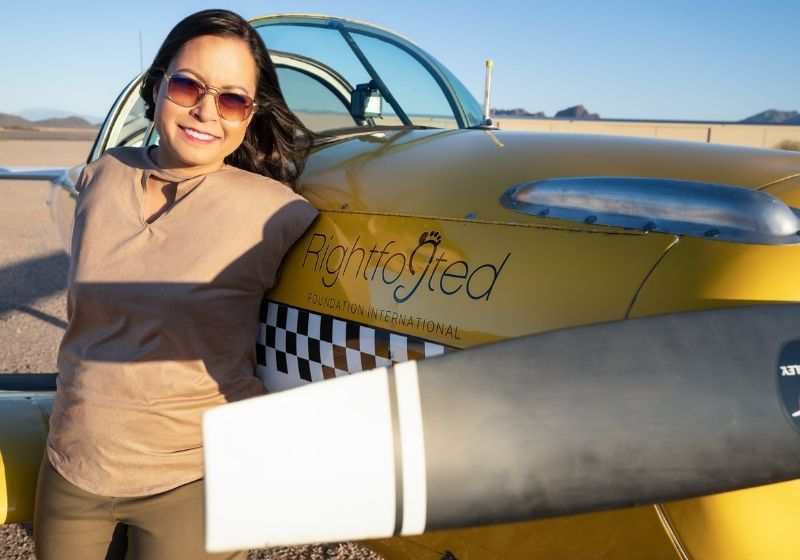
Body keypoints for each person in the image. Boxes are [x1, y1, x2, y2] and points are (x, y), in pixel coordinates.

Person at [33, 9, 318, 559]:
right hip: (72, 465)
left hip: (193, 480)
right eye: (189, 85)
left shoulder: (279, 213)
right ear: (158, 84)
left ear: (251, 114)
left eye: (232, 99)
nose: (207, 111)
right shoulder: (99, 177)